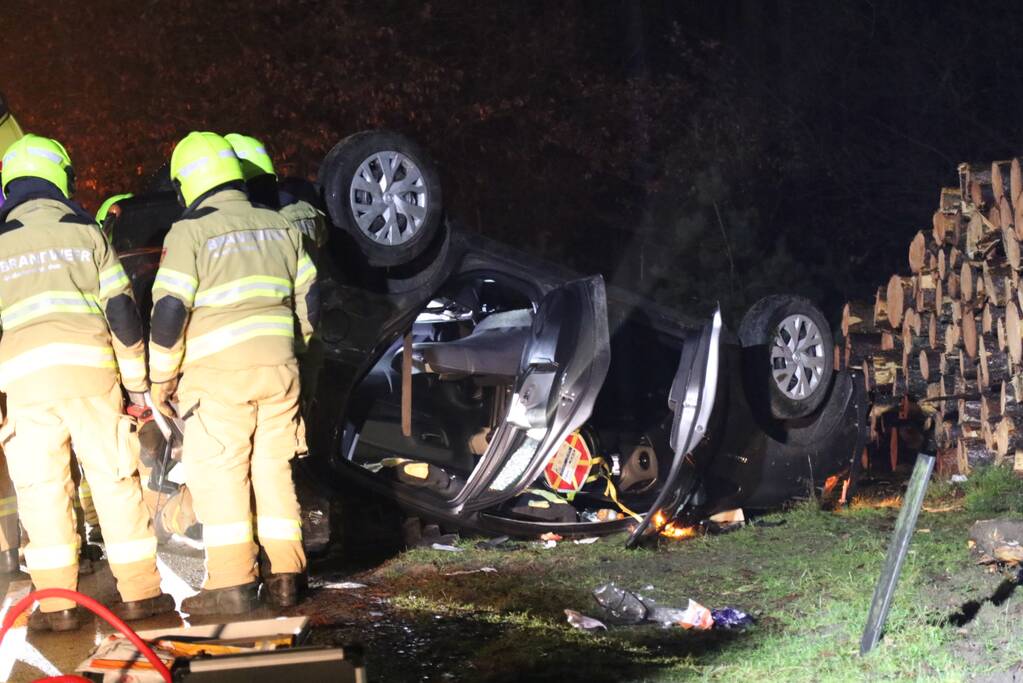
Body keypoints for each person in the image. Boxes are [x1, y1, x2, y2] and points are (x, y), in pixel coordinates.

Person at [0, 134, 172, 631]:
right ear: (61, 178)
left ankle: (57, 609)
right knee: (114, 483)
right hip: (92, 377)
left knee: (41, 491)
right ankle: (141, 595)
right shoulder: (86, 233)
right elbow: (121, 313)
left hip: (25, 385)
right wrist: (137, 387)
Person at [149, 131, 318, 615]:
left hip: (219, 378)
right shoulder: (280, 225)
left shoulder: (190, 232)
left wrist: (162, 380)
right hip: (280, 371)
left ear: (186, 184)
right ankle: (286, 576)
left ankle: (232, 584)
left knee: (221, 473)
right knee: (273, 469)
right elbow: (311, 301)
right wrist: (297, 351)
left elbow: (169, 312)